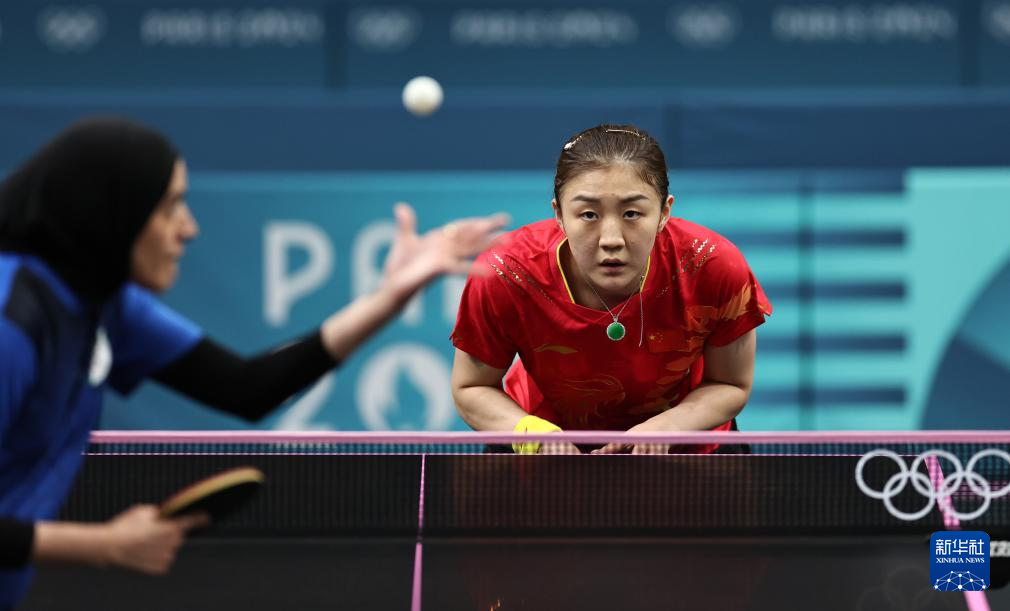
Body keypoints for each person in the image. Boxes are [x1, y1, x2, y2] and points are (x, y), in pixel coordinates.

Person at [0, 117, 507, 607]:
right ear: (111, 211)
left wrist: (391, 296)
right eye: (171, 206)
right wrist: (105, 545)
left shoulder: (105, 305)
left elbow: (246, 387)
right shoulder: (12, 325)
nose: (189, 228)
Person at [450, 124, 771, 455]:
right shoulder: (507, 273)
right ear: (559, 215)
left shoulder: (710, 265)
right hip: (542, 451)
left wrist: (670, 427)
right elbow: (472, 386)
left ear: (664, 212)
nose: (612, 239)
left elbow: (729, 383)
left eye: (632, 213)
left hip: (687, 451)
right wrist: (534, 436)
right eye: (588, 214)